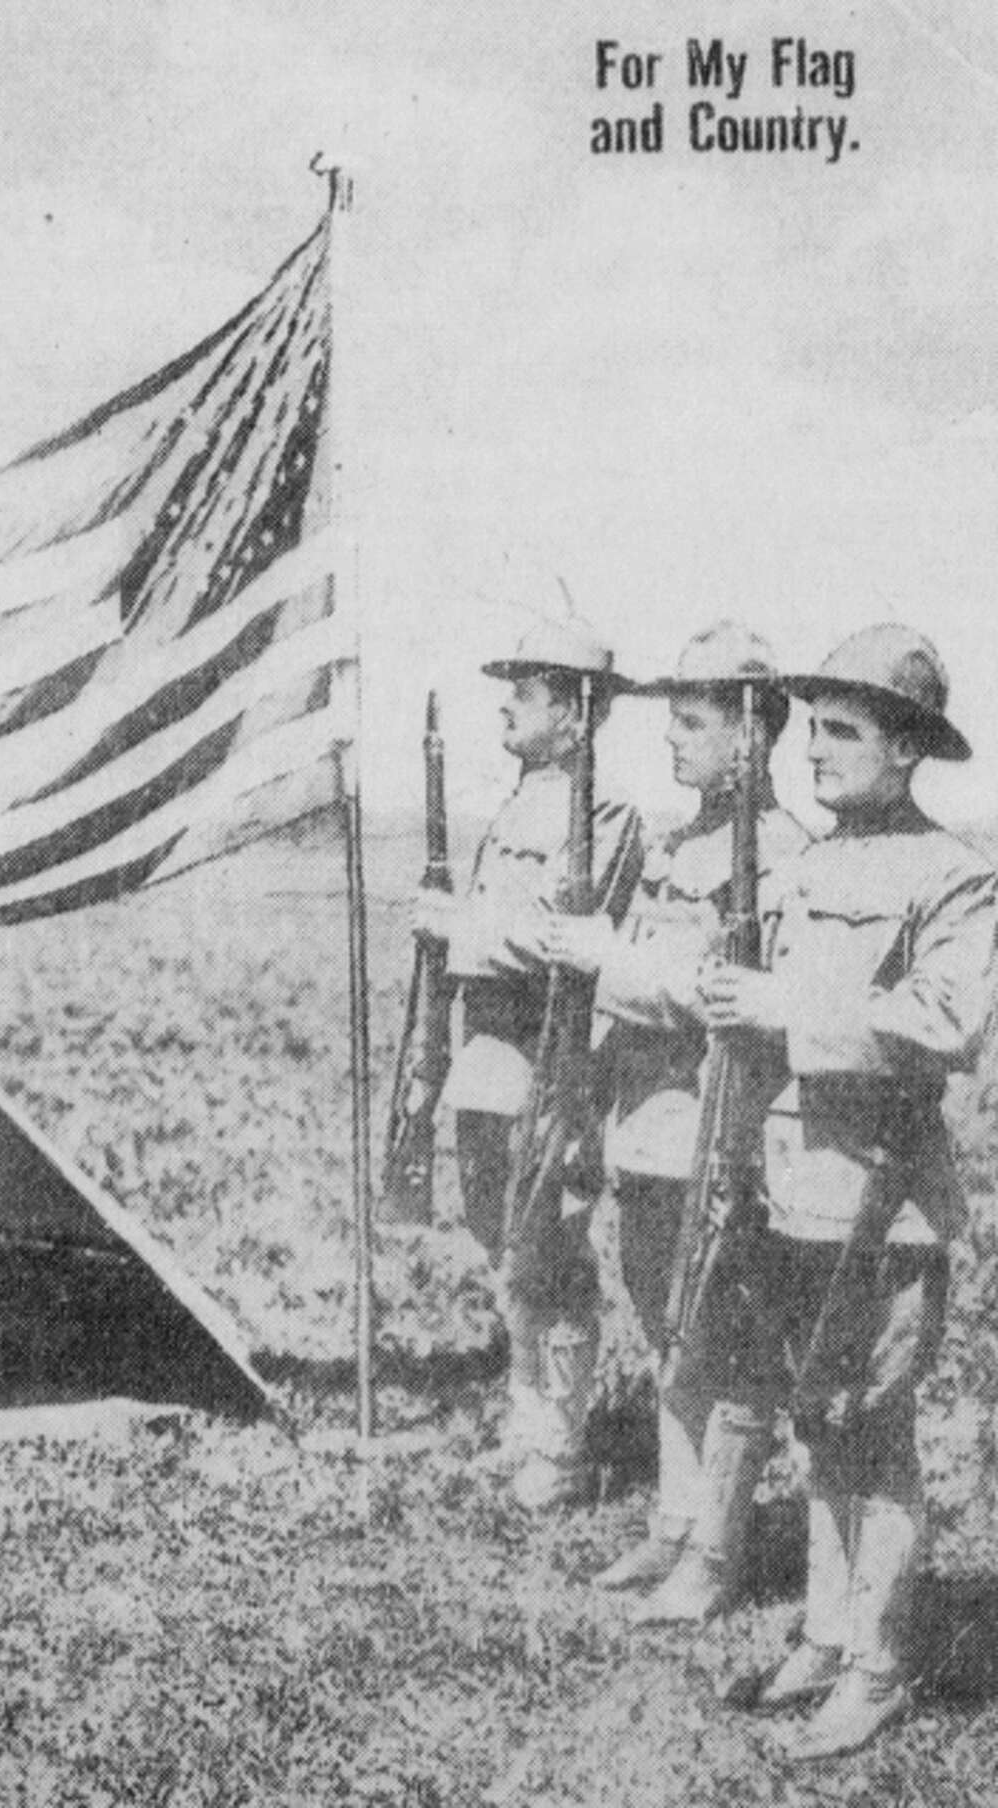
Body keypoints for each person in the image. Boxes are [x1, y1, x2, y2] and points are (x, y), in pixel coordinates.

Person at [702, 625, 997, 1760]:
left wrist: (784, 1008)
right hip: (788, 1187)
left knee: (876, 1432)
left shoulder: (955, 872)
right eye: (810, 727)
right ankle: (828, 1635)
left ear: (909, 748)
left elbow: (947, 1024)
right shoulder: (806, 862)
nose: (812, 751)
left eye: (841, 730)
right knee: (820, 1423)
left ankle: (878, 1663)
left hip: (882, 1201)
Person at [515, 623, 807, 1618]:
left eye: (693, 723)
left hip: (718, 1131)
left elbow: (735, 994)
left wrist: (610, 957)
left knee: (728, 1344)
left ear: (753, 735)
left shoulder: (786, 857)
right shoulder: (675, 845)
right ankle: (677, 1523)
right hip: (644, 1123)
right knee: (666, 1331)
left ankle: (718, 1551)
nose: (673, 742)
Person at [414, 619, 643, 1510]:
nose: (507, 705)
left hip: (547, 1056)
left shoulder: (607, 813)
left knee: (550, 1247)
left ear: (576, 714)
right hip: (487, 1051)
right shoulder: (519, 804)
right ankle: (527, 1422)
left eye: (527, 691)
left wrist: (455, 927)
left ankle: (560, 1442)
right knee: (504, 1239)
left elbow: (560, 942)